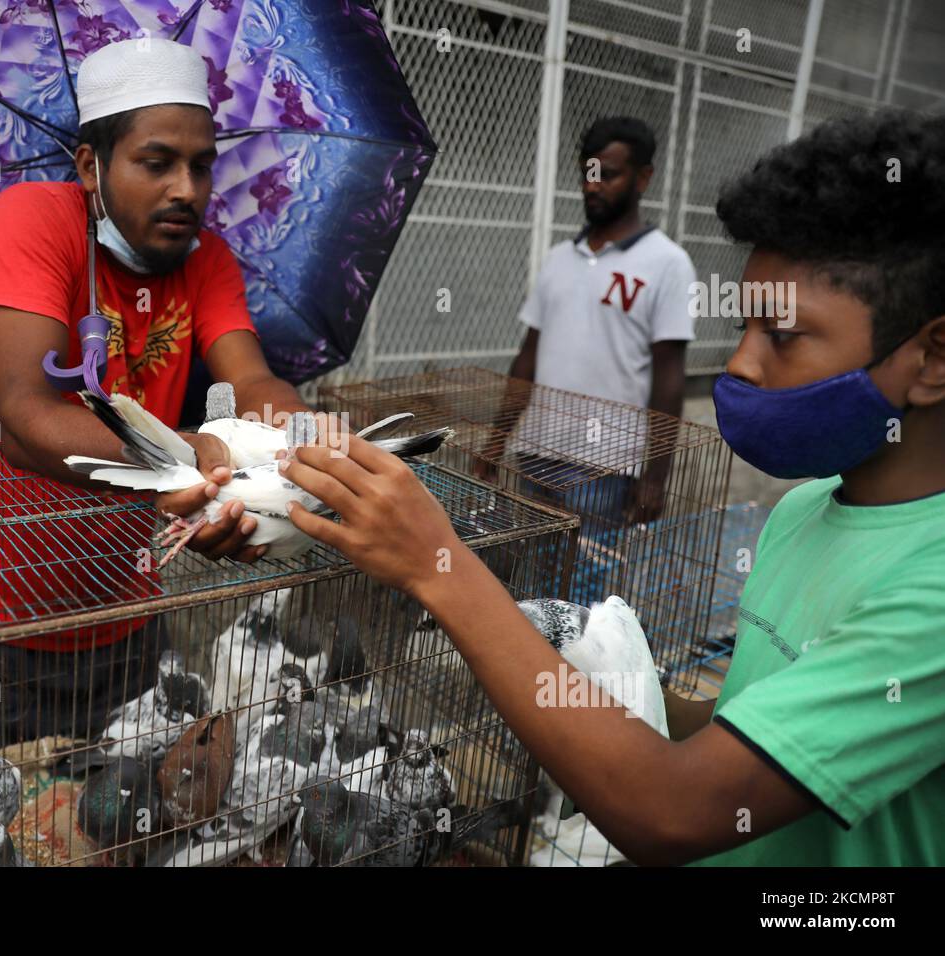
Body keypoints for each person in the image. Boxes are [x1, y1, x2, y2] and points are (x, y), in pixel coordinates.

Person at [279, 111, 945, 865]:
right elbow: (741, 727)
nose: (741, 367)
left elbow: (676, 808)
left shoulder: (933, 591)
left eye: (782, 336)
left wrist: (443, 570)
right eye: (745, 331)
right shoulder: (802, 511)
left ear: (932, 357)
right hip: (546, 455)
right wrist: (597, 670)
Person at [0, 39, 312, 768]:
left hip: (123, 616)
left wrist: (292, 437)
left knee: (129, 819)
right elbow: (25, 423)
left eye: (202, 165)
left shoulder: (205, 259)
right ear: (90, 166)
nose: (187, 188)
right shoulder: (31, 222)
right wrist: (186, 459)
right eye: (157, 163)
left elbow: (250, 378)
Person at [481, 117, 696, 534]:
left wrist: (654, 476)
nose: (593, 186)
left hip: (606, 468)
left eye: (608, 175)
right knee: (530, 584)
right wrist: (498, 438)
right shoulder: (559, 257)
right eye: (588, 174)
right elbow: (527, 357)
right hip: (537, 455)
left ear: (643, 178)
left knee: (585, 587)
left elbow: (669, 376)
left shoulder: (668, 264)